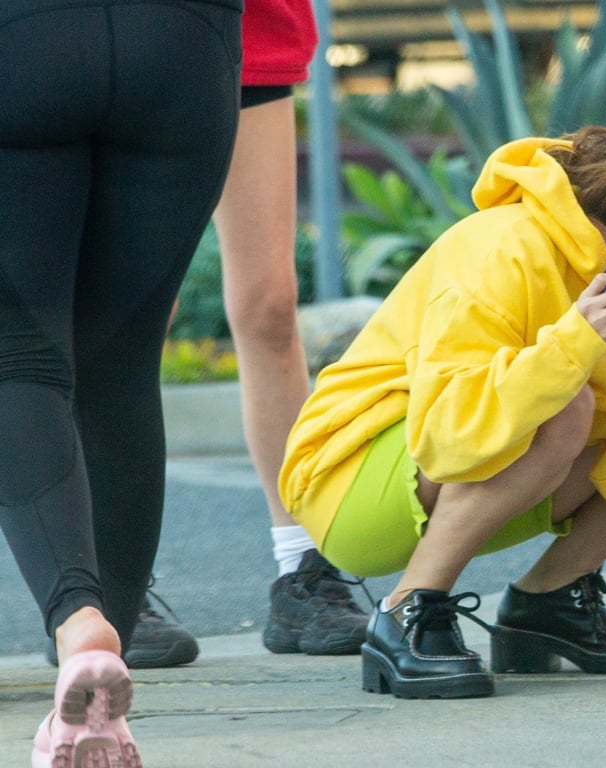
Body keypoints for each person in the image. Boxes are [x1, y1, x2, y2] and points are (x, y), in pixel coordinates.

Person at [278, 94, 606, 698]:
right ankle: (407, 613)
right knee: (566, 409)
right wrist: (573, 342)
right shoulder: (507, 244)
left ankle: (548, 605)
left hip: (482, 481)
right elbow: (445, 437)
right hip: (354, 479)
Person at [0, 0, 241, 768]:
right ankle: (105, 696)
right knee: (122, 362)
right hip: (182, 44)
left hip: (22, 38)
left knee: (19, 358)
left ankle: (80, 621)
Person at [114, 0, 370, 668]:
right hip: (118, 35)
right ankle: (109, 582)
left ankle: (304, 568)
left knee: (270, 307)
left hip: (247, 35)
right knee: (130, 314)